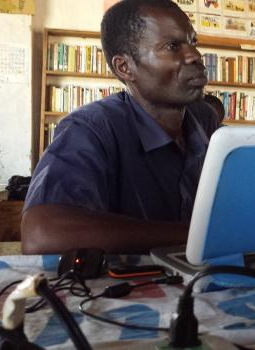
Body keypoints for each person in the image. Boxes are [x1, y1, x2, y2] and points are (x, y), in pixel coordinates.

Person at [21, 0, 220, 254]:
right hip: (126, 290)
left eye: (193, 42)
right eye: (173, 46)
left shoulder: (204, 119)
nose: (194, 55)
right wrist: (200, 235)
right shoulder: (90, 129)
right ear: (125, 67)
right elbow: (42, 234)